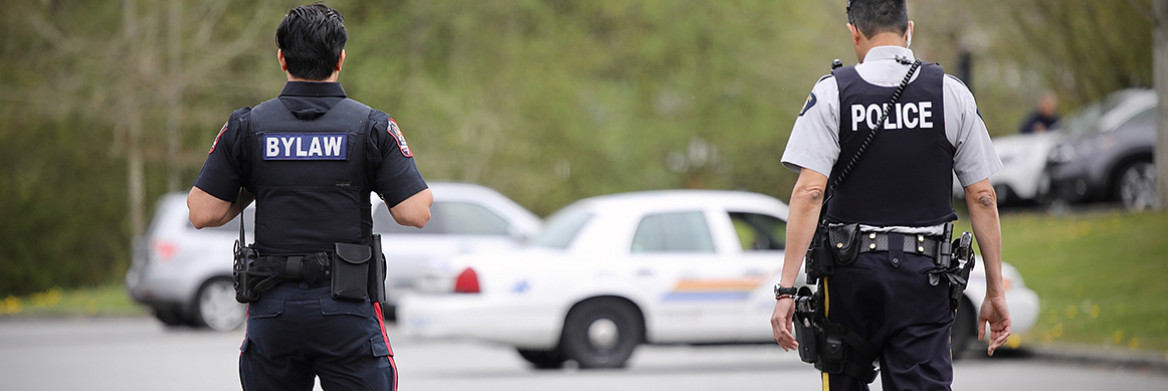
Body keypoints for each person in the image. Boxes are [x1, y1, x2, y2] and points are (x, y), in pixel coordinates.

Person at [187, 3, 432, 390]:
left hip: (273, 315)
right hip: (347, 313)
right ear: (341, 58)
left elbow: (202, 212)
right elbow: (415, 213)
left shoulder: (248, 126)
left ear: (282, 59)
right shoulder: (372, 127)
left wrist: (258, 182)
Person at [769, 1, 1011, 390]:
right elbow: (982, 196)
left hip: (849, 278)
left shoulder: (832, 93)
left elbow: (810, 192)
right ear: (908, 30)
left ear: (854, 32)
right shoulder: (951, 94)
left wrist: (785, 290)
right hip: (925, 278)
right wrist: (995, 290)